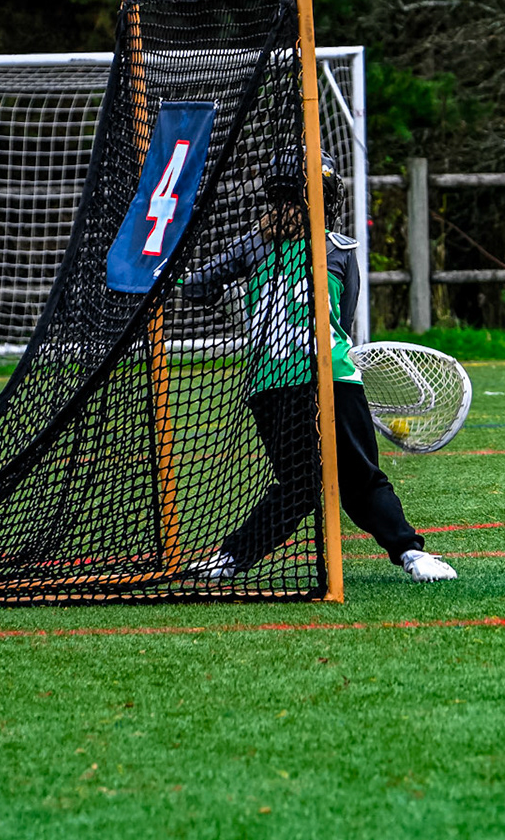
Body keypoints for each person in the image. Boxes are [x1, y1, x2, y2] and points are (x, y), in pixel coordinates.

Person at [181, 151, 457, 583]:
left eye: (296, 200)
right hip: (287, 384)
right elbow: (198, 288)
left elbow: (339, 324)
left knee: (344, 480)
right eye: (285, 201)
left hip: (319, 381)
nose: (289, 210)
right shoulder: (269, 245)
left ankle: (410, 552)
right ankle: (231, 559)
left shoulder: (328, 250)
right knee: (313, 485)